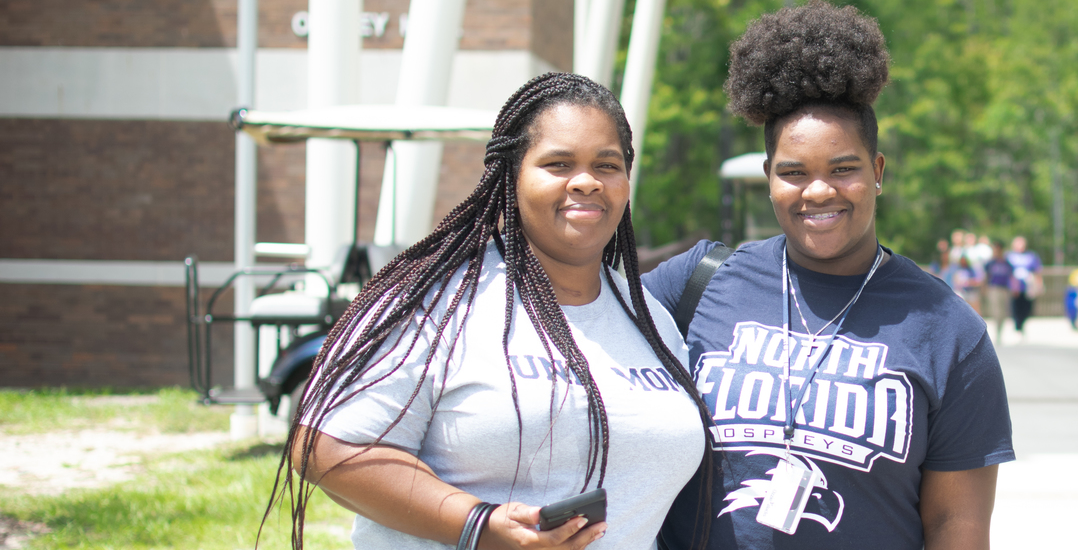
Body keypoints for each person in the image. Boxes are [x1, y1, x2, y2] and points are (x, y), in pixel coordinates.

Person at [273, 73, 712, 550]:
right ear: (512, 175)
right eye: (558, 163)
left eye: (607, 165)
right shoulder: (436, 301)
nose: (586, 181)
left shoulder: (650, 320)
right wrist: (476, 525)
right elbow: (326, 445)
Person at [641, 4, 1013, 549]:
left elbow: (955, 526)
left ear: (877, 172)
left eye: (843, 169)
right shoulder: (697, 284)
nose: (818, 191)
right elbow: (572, 338)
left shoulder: (949, 330)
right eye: (794, 173)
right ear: (769, 178)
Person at [1005, 236, 1042, 335]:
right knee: (1015, 307)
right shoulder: (1009, 256)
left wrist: (1039, 284)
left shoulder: (1031, 255)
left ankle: (1022, 324)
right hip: (1014, 287)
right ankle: (1018, 326)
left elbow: (1037, 270)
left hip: (1028, 286)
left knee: (1027, 307)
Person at [982, 242, 1013, 343]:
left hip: (1004, 289)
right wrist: (984, 288)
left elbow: (1011, 276)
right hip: (993, 288)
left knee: (1003, 312)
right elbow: (986, 276)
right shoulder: (991, 263)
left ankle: (1000, 332)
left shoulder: (1006, 263)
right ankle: (996, 330)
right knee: (996, 311)